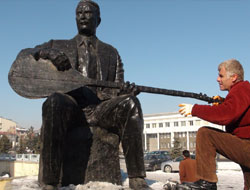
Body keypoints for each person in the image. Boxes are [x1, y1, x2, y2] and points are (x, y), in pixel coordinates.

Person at [13, 1, 150, 190]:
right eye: (79, 13)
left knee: (131, 103)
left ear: (98, 20)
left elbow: (116, 89)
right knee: (54, 101)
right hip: (72, 108)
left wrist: (125, 93)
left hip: (100, 109)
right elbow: (25, 54)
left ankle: (137, 177)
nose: (83, 16)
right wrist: (48, 53)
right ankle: (50, 182)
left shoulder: (111, 52)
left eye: (88, 12)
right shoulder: (57, 44)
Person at [179, 59, 250, 190]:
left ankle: (207, 182)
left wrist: (195, 109)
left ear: (234, 77)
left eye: (221, 76)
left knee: (206, 134)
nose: (218, 79)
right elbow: (237, 110)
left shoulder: (242, 88)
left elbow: (227, 115)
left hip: (246, 145)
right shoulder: (242, 91)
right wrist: (224, 102)